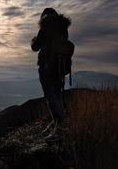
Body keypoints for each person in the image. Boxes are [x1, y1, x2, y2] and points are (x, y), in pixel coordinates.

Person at [31, 8, 71, 141]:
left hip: (47, 66)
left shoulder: (45, 26)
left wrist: (34, 39)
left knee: (50, 96)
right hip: (60, 68)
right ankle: (56, 123)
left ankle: (58, 128)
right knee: (57, 94)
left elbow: (35, 47)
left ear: (44, 17)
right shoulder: (64, 29)